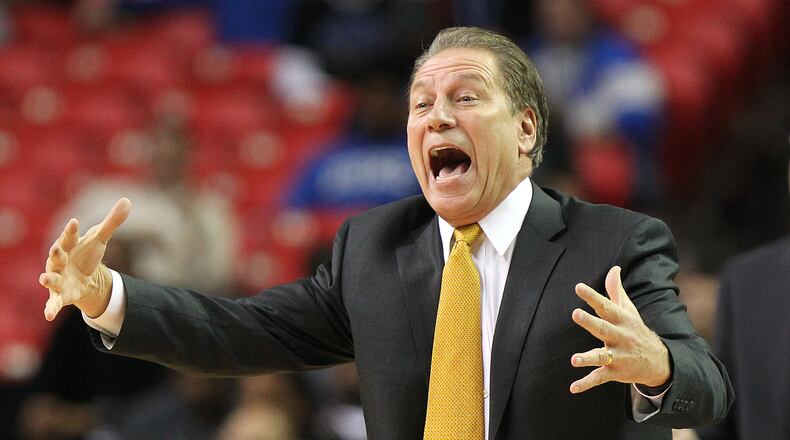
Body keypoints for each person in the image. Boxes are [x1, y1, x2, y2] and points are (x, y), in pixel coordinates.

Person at [38, 27, 732, 439]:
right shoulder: (370, 248)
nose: (435, 117)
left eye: (464, 98)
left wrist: (659, 368)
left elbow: (710, 385)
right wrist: (108, 296)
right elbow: (240, 331)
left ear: (526, 130)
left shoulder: (615, 242)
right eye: (421, 103)